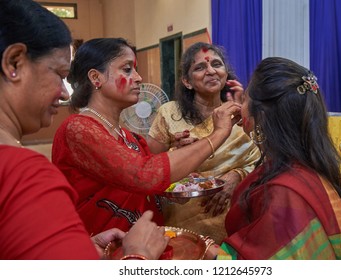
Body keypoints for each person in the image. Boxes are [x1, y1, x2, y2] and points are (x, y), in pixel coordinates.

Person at [0, 0, 169, 260]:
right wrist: (138, 255)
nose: (65, 92)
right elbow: (143, 174)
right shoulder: (21, 173)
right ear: (14, 63)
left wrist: (86, 245)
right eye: (59, 73)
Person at [51, 38, 241, 237]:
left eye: (135, 69)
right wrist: (218, 134)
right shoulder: (78, 129)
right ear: (96, 78)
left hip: (144, 247)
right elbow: (145, 176)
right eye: (127, 70)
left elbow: (151, 187)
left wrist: (181, 185)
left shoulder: (130, 138)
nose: (139, 77)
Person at [204, 57, 341, 259]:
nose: (239, 106)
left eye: (245, 98)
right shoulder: (307, 166)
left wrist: (212, 253)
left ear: (262, 117)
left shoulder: (283, 193)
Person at [147, 42, 259, 243]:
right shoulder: (169, 113)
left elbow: (262, 162)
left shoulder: (238, 113)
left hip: (232, 217)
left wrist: (237, 176)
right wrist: (174, 150)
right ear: (187, 81)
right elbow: (148, 167)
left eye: (216, 64)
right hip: (182, 218)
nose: (210, 71)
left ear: (225, 73)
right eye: (200, 67)